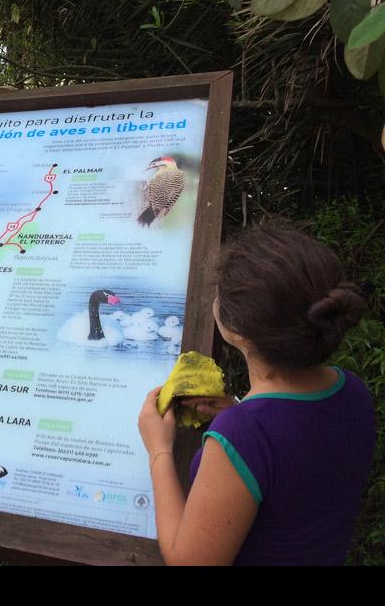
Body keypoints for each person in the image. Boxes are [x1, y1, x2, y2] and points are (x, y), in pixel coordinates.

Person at [137, 227, 375, 566]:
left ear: (236, 329)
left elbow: (188, 560)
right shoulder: (353, 390)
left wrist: (159, 449)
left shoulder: (242, 433)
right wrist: (237, 411)